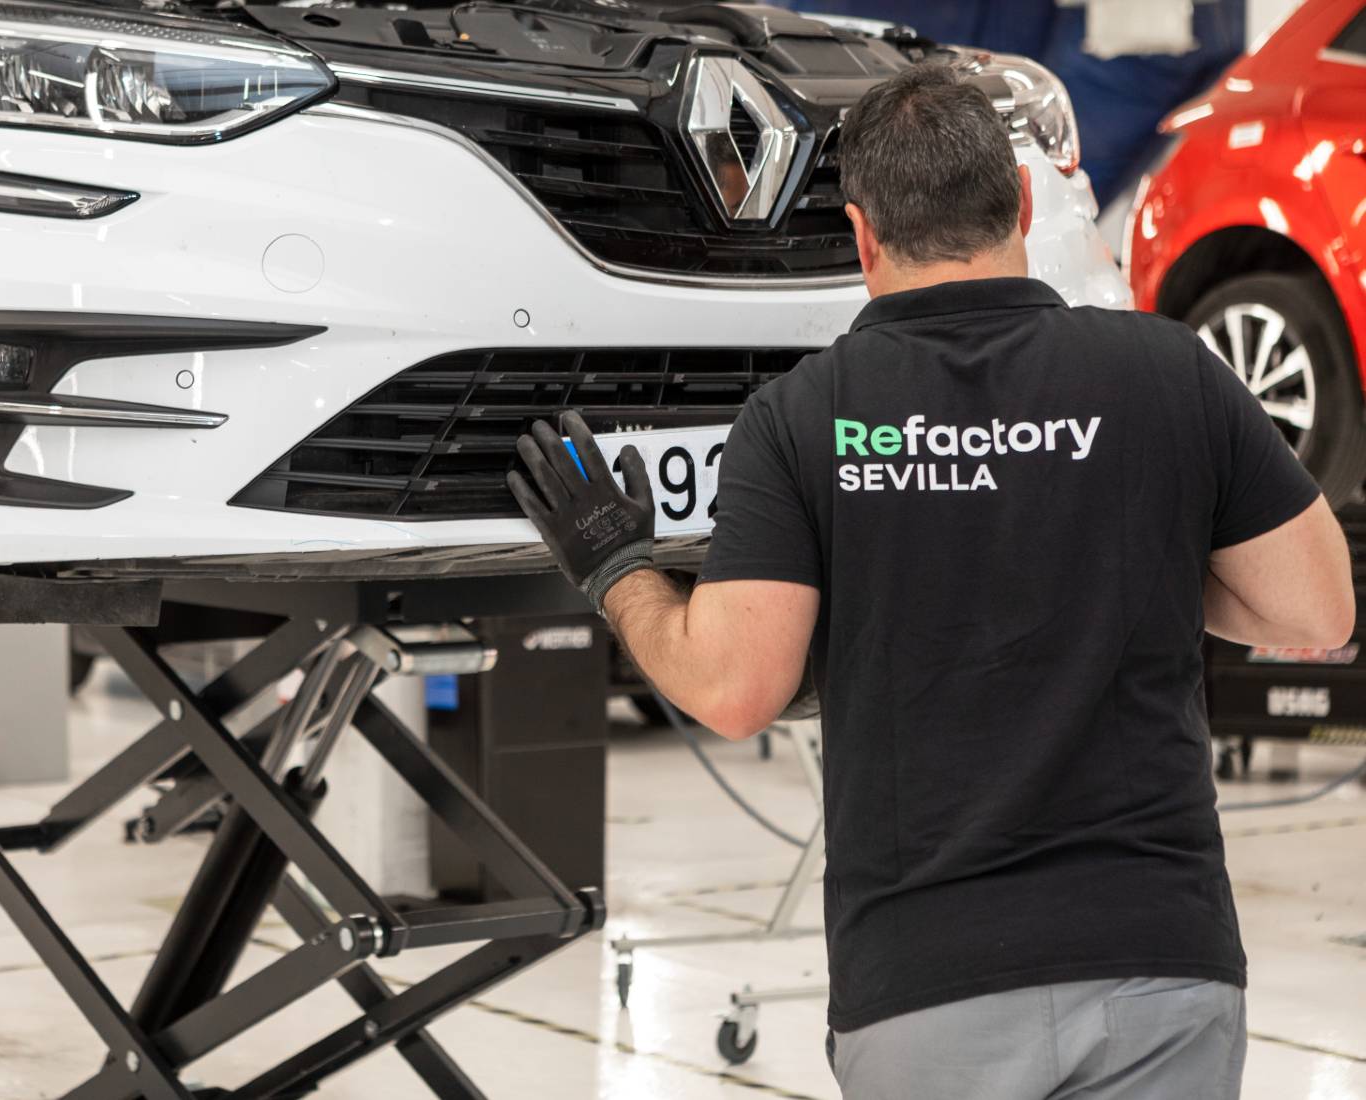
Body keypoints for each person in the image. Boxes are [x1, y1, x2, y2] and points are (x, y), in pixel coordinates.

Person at [507, 63, 1354, 1100]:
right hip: (1160, 966)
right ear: (1024, 202)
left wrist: (617, 566)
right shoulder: (1170, 372)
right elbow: (1317, 608)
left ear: (861, 235)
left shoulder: (804, 417)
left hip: (930, 989)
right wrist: (1140, 551)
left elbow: (734, 688)